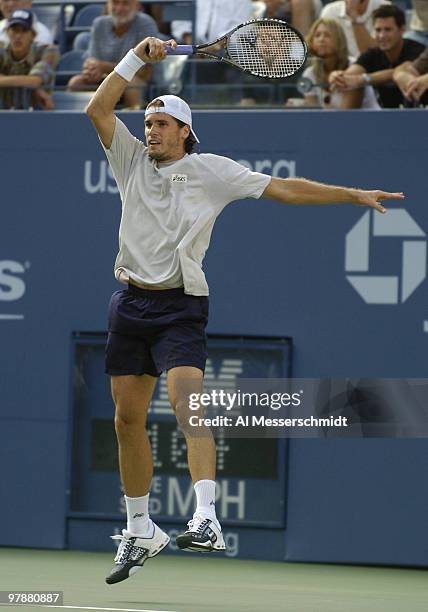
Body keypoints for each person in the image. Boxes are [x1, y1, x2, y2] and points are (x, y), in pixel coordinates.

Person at [85, 35, 404, 585]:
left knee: (188, 406)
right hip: (130, 303)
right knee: (125, 419)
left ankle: (205, 518)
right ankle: (140, 528)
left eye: (162, 123)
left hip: (181, 304)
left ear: (185, 131)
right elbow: (97, 106)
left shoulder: (212, 170)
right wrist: (137, 56)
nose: (151, 129)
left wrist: (351, 196)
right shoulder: (129, 159)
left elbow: (285, 190)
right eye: (149, 121)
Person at [328, 5, 425, 109]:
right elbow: (351, 74)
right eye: (378, 30)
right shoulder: (373, 53)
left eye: (387, 30)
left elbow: (402, 71)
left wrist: (363, 79)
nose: (382, 36)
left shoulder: (416, 49)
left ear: (402, 30)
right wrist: (337, 76)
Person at [68, 0, 158, 109]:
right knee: (76, 83)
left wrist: (102, 66)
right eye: (115, 3)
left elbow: (145, 72)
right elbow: (93, 61)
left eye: (125, 4)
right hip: (104, 78)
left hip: (137, 81)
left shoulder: (146, 23)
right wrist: (91, 70)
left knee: (132, 85)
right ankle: (77, 122)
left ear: (137, 6)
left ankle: (133, 121)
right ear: (108, 4)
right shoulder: (99, 23)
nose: (119, 8)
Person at [301, 17, 379, 108]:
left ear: (338, 39)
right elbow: (312, 112)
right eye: (317, 35)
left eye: (327, 35)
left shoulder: (355, 66)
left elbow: (347, 114)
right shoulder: (309, 74)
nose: (321, 39)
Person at [0, 8, 58, 109]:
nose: (18, 36)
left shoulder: (48, 51)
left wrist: (3, 79)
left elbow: (35, 80)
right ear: (7, 32)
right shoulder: (1, 50)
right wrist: (33, 87)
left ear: (33, 35)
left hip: (38, 113)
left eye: (24, 31)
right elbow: (31, 83)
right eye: (14, 30)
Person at [320, 0, 390, 58]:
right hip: (342, 68)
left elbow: (374, 56)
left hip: (376, 67)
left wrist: (354, 15)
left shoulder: (385, 8)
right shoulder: (329, 12)